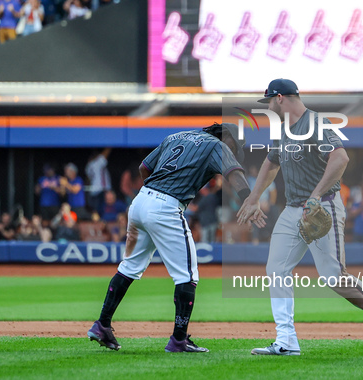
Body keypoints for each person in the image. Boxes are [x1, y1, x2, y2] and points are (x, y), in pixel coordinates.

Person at [237, 78, 363, 356]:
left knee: (334, 276)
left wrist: (315, 195)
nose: (268, 107)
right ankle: (286, 340)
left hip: (321, 206)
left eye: (268, 101)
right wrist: (253, 199)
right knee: (276, 269)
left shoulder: (314, 123)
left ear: (280, 98)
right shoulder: (283, 128)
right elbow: (271, 163)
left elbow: (340, 158)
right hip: (293, 209)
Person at [87, 122, 259, 353]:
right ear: (225, 136)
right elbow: (234, 174)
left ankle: (102, 324)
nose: (234, 149)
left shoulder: (177, 135)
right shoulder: (217, 145)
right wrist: (250, 200)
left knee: (129, 267)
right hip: (165, 207)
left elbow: (144, 168)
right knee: (187, 275)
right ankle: (179, 339)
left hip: (140, 202)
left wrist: (158, 188)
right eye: (235, 144)